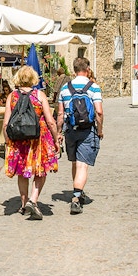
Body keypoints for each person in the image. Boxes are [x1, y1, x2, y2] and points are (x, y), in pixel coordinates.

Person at [3, 65, 59, 220]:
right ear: (34, 78)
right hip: (38, 139)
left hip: (19, 139)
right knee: (40, 170)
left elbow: (6, 124)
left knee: (22, 172)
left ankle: (23, 204)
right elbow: (50, 121)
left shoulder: (12, 96)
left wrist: (8, 142)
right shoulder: (39, 95)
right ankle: (33, 200)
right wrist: (56, 139)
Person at [56, 57, 104, 215]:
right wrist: (100, 129)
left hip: (70, 130)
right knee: (82, 165)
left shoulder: (65, 88)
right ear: (87, 69)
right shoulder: (94, 87)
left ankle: (78, 190)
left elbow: (61, 114)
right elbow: (99, 111)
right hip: (87, 130)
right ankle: (76, 198)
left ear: (74, 69)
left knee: (75, 163)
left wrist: (58, 133)